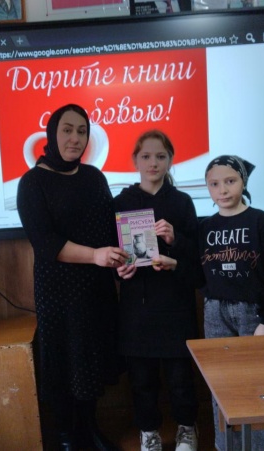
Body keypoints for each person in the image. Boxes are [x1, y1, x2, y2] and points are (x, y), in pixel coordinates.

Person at [16, 104, 127, 451]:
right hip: (59, 290)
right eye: (67, 130)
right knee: (66, 361)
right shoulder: (32, 182)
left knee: (92, 358)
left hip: (97, 287)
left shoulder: (94, 177)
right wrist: (95, 256)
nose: (75, 138)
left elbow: (111, 227)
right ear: (52, 134)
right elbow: (45, 242)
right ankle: (67, 438)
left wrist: (132, 252)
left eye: (81, 131)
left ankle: (89, 429)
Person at [199, 155, 264, 451]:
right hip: (215, 312)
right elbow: (198, 272)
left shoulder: (262, 222)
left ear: (243, 181)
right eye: (214, 184)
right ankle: (228, 446)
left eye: (230, 181)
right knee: (221, 386)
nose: (223, 190)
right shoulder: (205, 227)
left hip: (252, 312)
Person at [114, 130, 201, 451]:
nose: (153, 163)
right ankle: (148, 432)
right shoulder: (121, 203)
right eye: (146, 156)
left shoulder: (182, 202)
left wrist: (175, 241)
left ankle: (187, 428)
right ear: (135, 161)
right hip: (136, 309)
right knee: (141, 381)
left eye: (161, 156)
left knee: (180, 379)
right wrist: (118, 270)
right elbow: (113, 253)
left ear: (171, 160)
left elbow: (197, 262)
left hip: (176, 307)